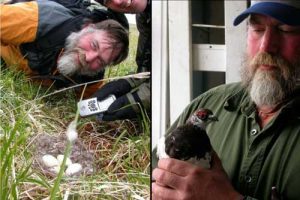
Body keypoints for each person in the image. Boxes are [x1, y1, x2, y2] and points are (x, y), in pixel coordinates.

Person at [152, 1, 300, 199]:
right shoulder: (212, 102)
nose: (266, 46)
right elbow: (151, 176)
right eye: (257, 28)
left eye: (285, 29)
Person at [1, 0, 129, 97]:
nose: (89, 58)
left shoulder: (92, 74)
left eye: (101, 61)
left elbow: (91, 101)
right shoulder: (40, 19)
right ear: (86, 28)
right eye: (94, 45)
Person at [91, 0, 151, 121]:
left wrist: (146, 96)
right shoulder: (144, 17)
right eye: (107, 1)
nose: (118, 2)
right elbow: (148, 65)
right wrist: (131, 82)